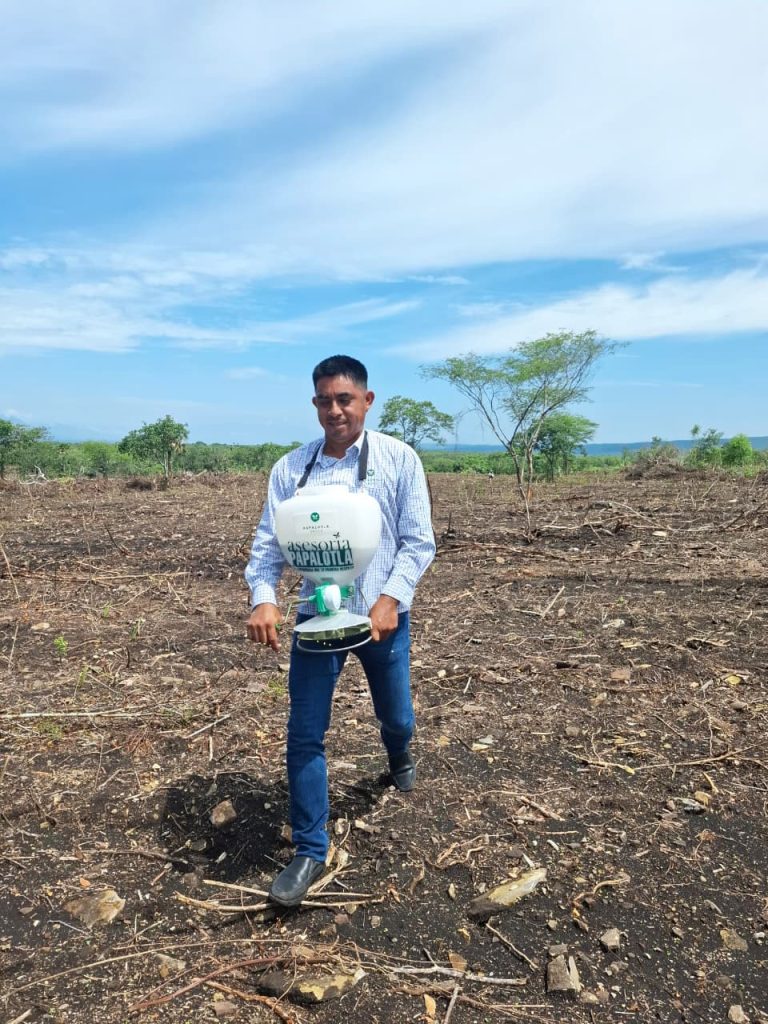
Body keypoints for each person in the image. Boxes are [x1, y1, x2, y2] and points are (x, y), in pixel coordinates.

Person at [245, 355, 435, 908]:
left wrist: (389, 599)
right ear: (314, 404)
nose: (335, 410)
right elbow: (266, 549)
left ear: (367, 401)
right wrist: (263, 599)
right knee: (304, 732)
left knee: (395, 714)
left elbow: (419, 542)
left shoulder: (398, 461)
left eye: (344, 399)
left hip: (382, 620)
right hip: (316, 619)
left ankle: (398, 754)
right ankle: (309, 847)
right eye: (324, 401)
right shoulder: (291, 471)